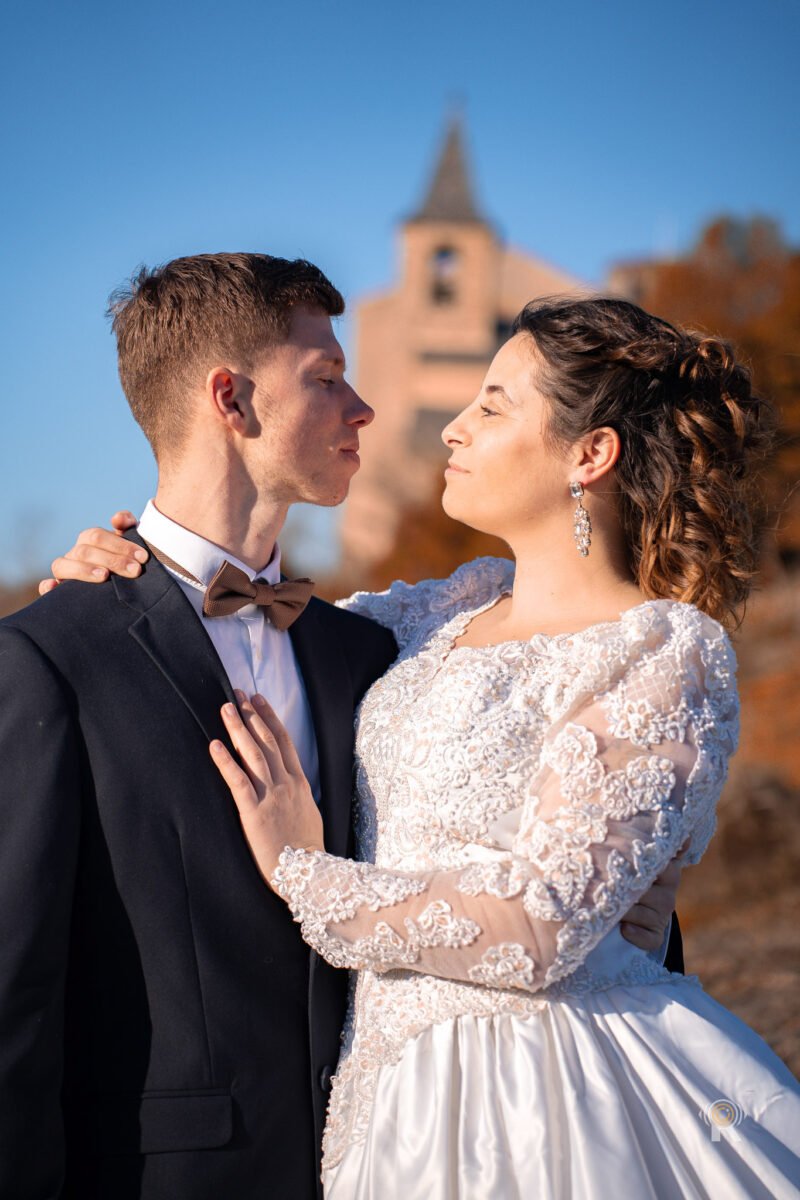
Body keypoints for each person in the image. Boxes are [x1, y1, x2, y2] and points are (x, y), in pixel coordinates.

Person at [51, 297, 800, 1197]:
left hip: (546, 1093)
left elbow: (543, 926)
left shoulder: (662, 648)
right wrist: (121, 569)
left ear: (589, 455)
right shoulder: (428, 615)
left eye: (492, 405)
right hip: (384, 1100)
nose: (454, 427)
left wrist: (304, 869)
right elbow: (238, 622)